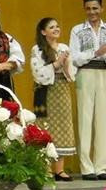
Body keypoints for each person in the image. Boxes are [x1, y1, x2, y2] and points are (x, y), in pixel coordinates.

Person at [69, 0, 106, 180]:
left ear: (102, 8)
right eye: (88, 8)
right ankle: (86, 167)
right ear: (84, 9)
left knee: (102, 120)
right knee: (85, 119)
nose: (92, 12)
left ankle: (101, 167)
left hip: (103, 73)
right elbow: (75, 58)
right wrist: (96, 52)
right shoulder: (77, 30)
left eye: (95, 8)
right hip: (85, 74)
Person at [30, 17, 77, 181]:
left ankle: (59, 169)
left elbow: (71, 74)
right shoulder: (38, 49)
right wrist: (56, 64)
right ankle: (45, 169)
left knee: (62, 126)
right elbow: (38, 73)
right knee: (45, 126)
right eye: (51, 27)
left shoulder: (64, 47)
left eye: (57, 26)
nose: (56, 29)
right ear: (43, 32)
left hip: (62, 89)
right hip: (45, 91)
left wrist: (65, 63)